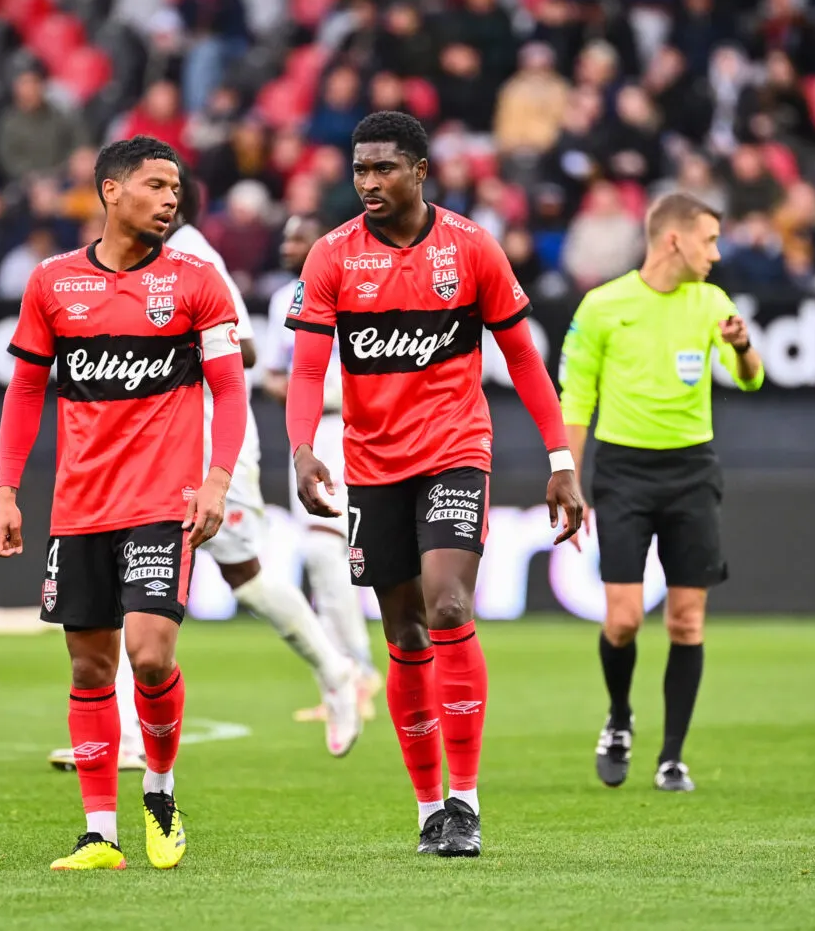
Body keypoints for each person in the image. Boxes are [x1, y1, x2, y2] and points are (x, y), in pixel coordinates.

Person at [285, 111, 585, 857]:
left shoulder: (471, 248)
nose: (368, 182)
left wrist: (560, 460)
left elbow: (522, 359)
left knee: (448, 603)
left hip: (456, 449)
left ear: (421, 170)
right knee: (404, 632)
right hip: (371, 464)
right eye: (359, 170)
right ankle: (428, 806)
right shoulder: (330, 258)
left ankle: (467, 800)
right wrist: (301, 450)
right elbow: (305, 369)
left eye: (384, 168)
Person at [0, 136, 248, 871]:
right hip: (78, 508)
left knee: (150, 652)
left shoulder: (198, 282)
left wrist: (217, 479)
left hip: (162, 503)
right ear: (110, 191)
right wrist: (8, 492)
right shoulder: (51, 283)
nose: (172, 198)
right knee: (89, 670)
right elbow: (25, 391)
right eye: (157, 184)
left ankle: (159, 790)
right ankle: (99, 833)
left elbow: (228, 393)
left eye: (177, 188)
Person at [51, 165, 363, 769]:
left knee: (244, 574)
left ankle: (336, 668)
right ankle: (130, 740)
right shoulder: (127, 261)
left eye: (166, 193)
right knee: (125, 587)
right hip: (151, 447)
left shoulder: (192, 257)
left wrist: (158, 345)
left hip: (208, 446)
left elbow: (240, 347)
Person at [558, 192, 764, 794]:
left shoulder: (711, 302)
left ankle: (672, 756)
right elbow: (577, 398)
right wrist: (568, 478)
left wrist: (744, 345)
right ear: (674, 240)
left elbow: (751, 381)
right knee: (622, 620)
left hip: (692, 471)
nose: (716, 253)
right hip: (623, 473)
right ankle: (619, 718)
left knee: (686, 620)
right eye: (709, 240)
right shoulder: (603, 306)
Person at [261, 213, 384, 724]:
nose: (289, 245)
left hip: (357, 429)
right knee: (322, 554)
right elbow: (271, 374)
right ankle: (348, 676)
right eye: (286, 236)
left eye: (299, 238)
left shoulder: (358, 284)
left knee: (330, 552)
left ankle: (354, 672)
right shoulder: (278, 301)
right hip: (311, 434)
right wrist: (300, 392)